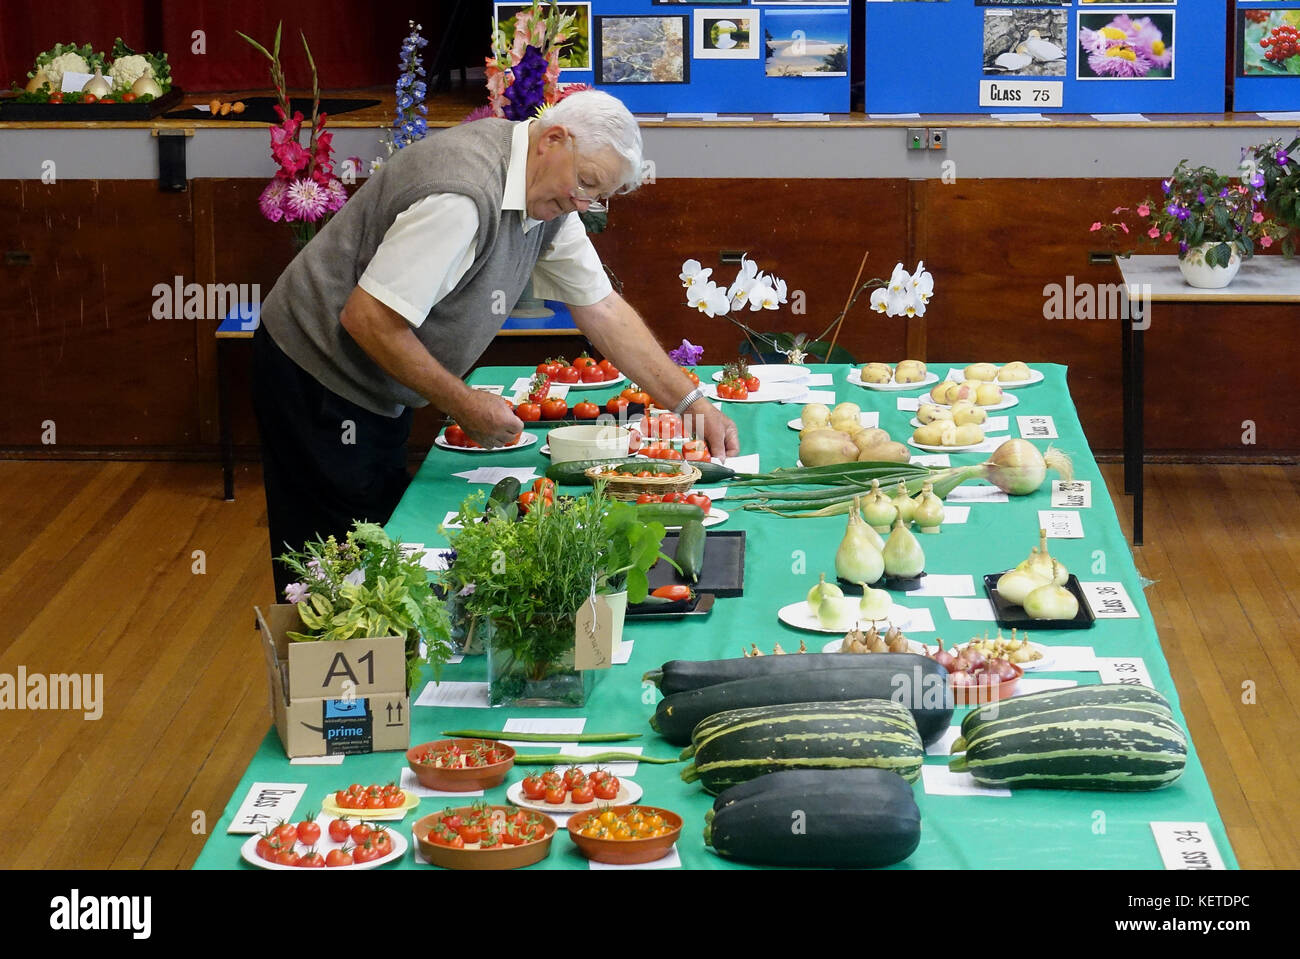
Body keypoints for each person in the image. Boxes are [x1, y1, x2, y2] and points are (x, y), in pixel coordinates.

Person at [252, 89, 740, 597]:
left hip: (375, 383)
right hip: (315, 371)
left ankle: (372, 665)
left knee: (374, 539)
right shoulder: (461, 196)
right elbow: (368, 318)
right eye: (586, 184)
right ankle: (329, 667)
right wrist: (463, 403)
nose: (583, 204)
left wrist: (691, 403)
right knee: (335, 568)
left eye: (597, 196)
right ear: (553, 139)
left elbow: (603, 309)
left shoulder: (546, 191)